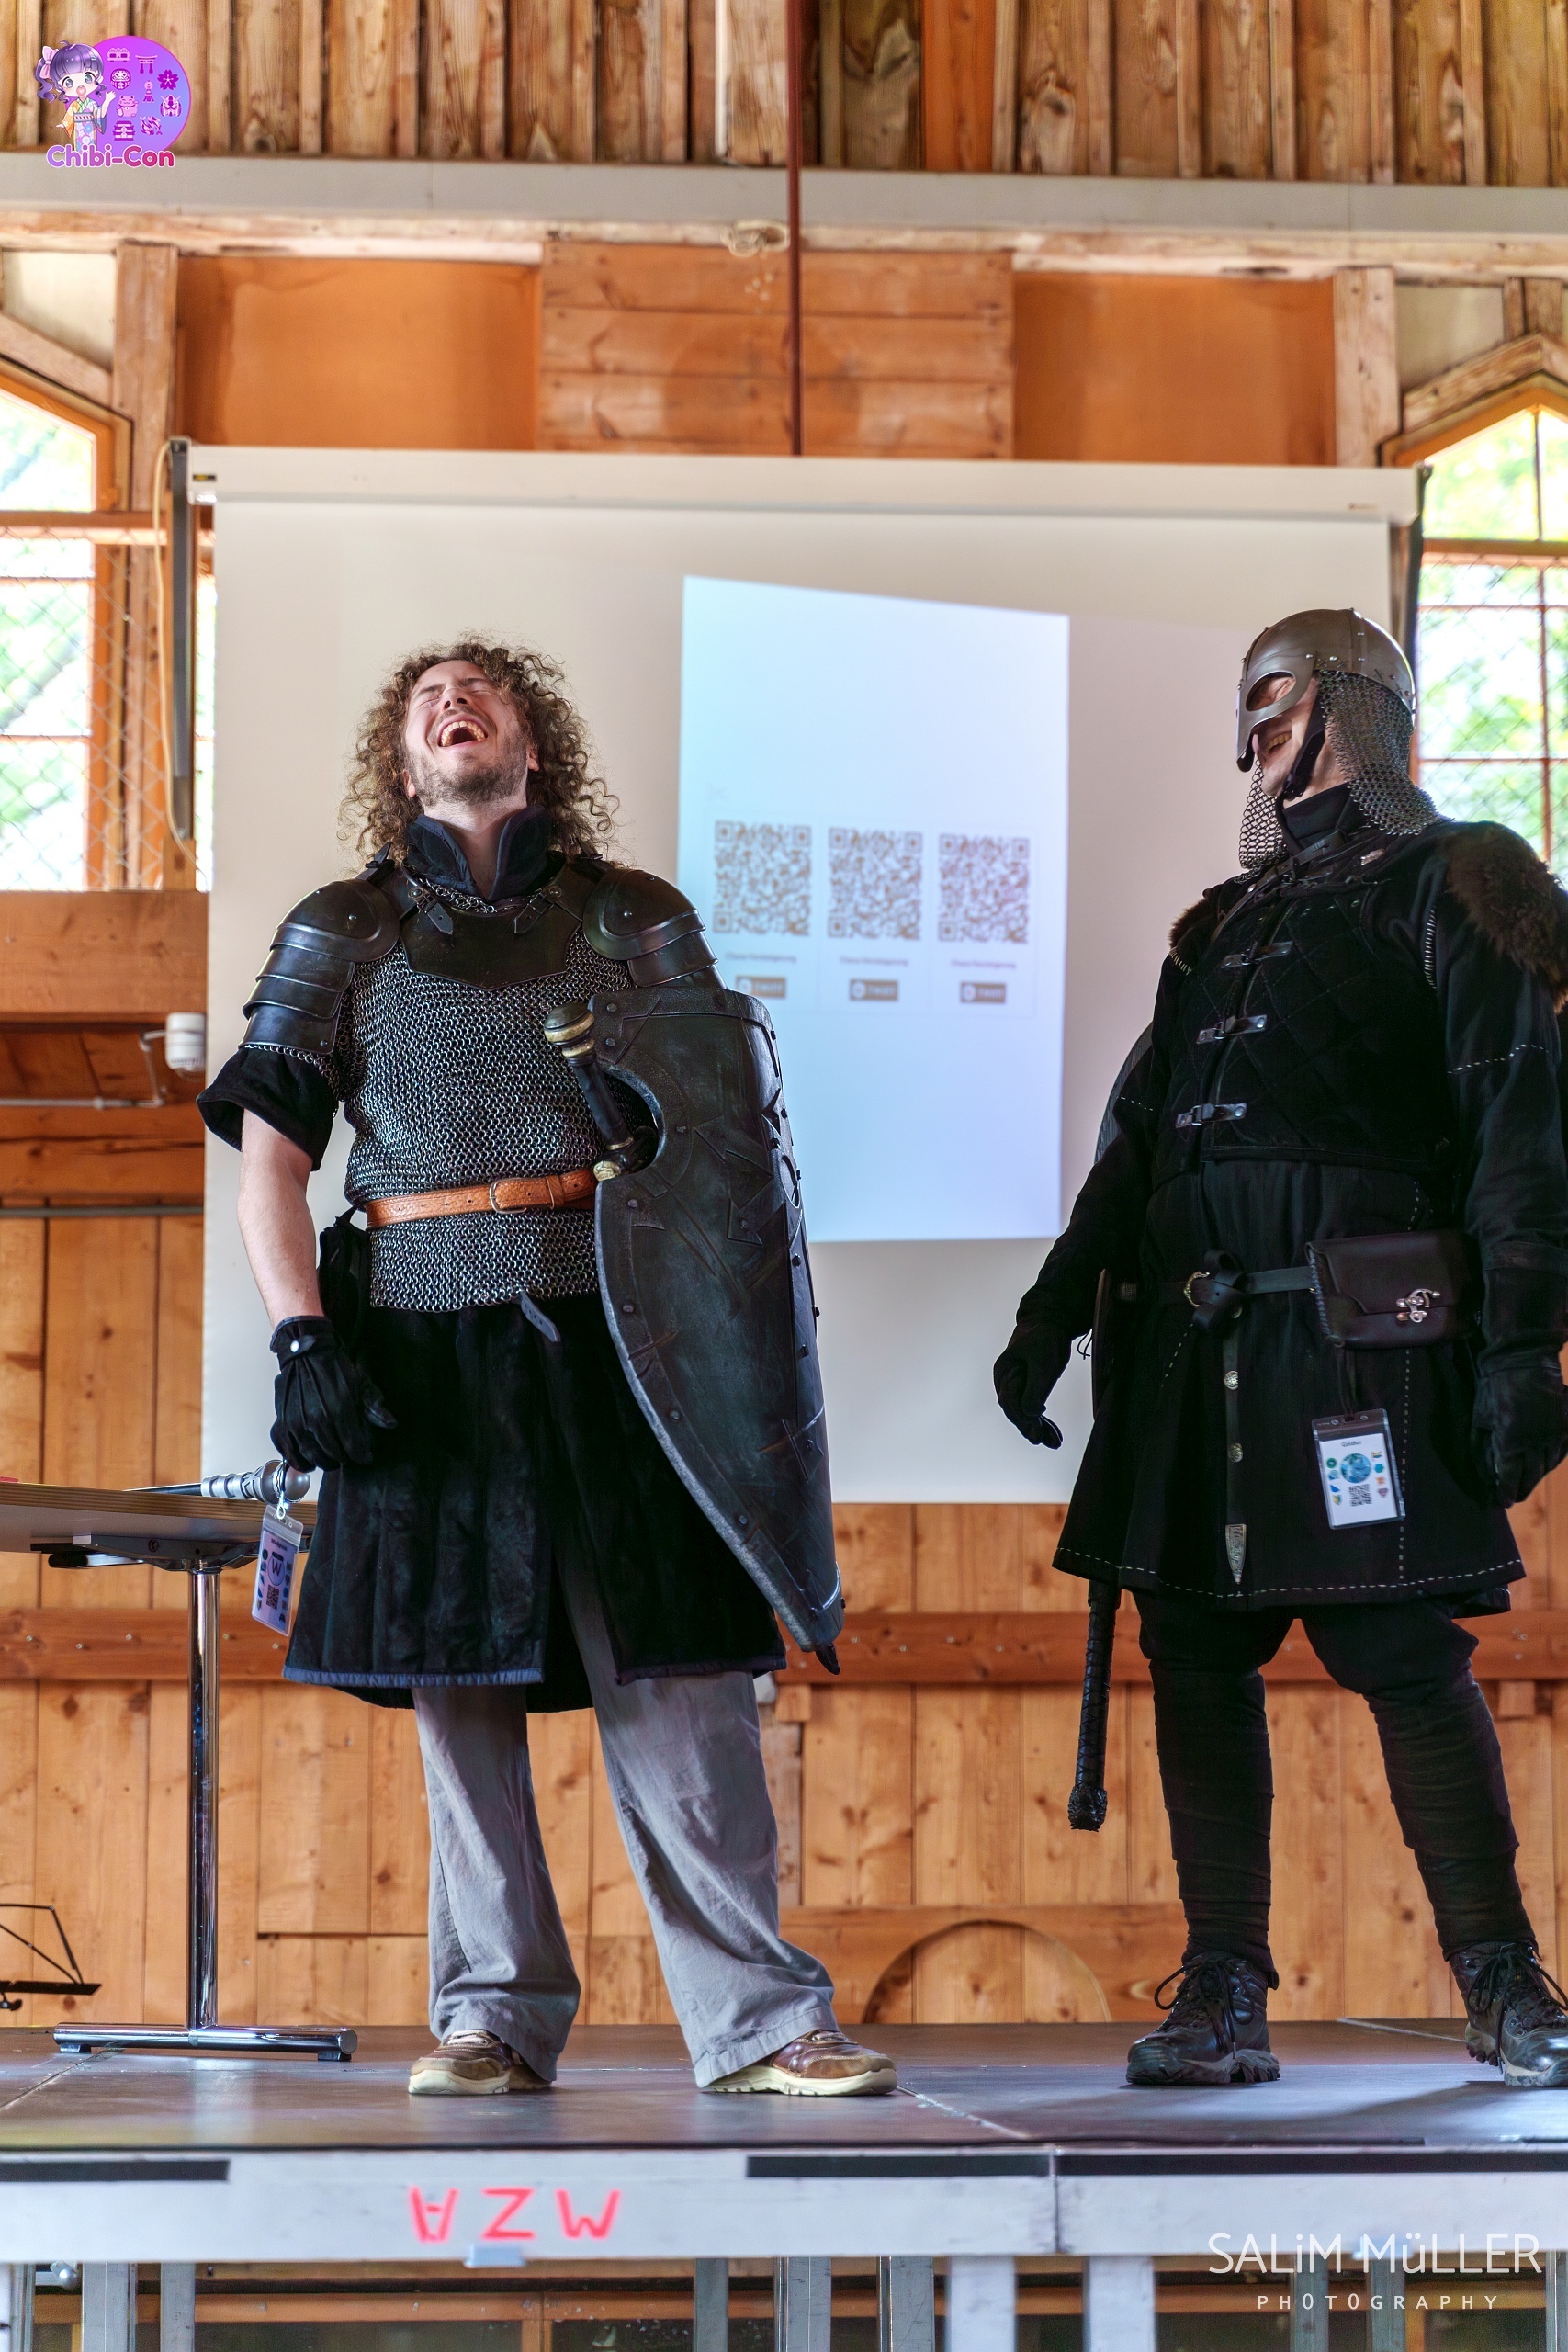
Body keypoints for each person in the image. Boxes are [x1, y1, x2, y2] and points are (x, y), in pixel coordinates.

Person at [199, 639, 895, 2101]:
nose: (453, 703)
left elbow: (727, 1145)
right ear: (402, 759)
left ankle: (763, 2020)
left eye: (482, 689)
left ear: (532, 739)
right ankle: (491, 2019)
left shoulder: (633, 919)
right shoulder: (344, 932)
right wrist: (300, 1332)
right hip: (423, 1336)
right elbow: (271, 1163)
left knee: (683, 1689)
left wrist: (641, 1113)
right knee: (457, 1696)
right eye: (426, 697)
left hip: (625, 1336)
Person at [994, 608, 1568, 2090]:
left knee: (1400, 1649)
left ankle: (1503, 1979)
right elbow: (1137, 1148)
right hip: (1193, 1346)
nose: (1251, 729)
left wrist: (1524, 1349)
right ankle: (1223, 1985)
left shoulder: (1464, 879)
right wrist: (1052, 1310)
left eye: (1277, 696)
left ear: (1353, 704)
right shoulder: (1220, 927)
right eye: (1246, 703)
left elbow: (1519, 1124)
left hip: (1364, 1351)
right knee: (1194, 1649)